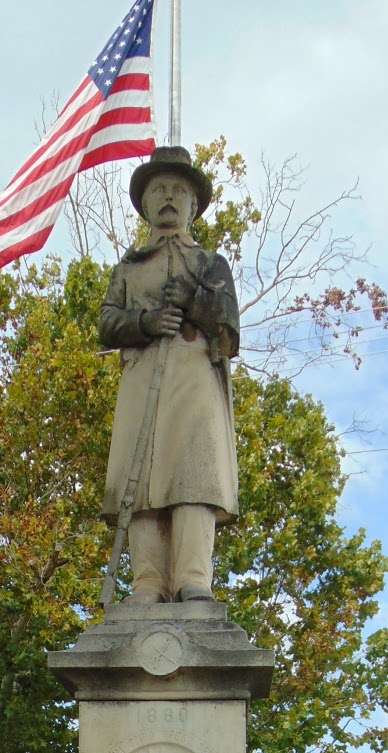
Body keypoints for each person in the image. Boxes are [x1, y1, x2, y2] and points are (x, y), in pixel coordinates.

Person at [98, 146, 240, 604]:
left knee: (193, 476)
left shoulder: (210, 265)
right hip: (142, 383)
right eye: (159, 190)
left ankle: (192, 578)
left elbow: (229, 331)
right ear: (145, 204)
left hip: (195, 381)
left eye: (178, 191)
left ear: (193, 206)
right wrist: (144, 323)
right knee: (139, 480)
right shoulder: (129, 268)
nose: (168, 198)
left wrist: (195, 301)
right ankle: (149, 582)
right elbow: (106, 324)